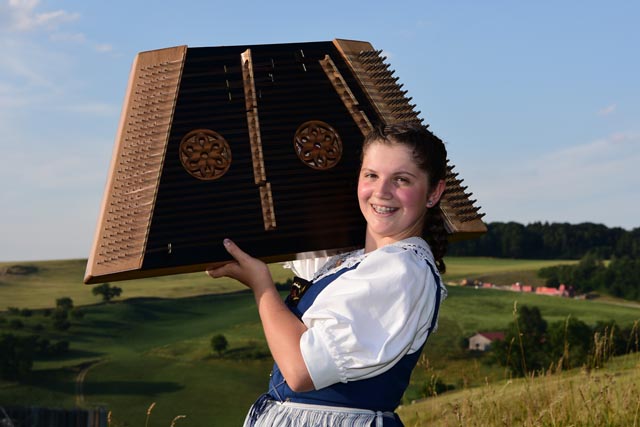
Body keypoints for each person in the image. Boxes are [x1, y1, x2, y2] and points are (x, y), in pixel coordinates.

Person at [206, 122, 449, 426]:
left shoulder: (402, 270)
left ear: (433, 192)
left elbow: (300, 370)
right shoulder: (352, 262)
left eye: (401, 180)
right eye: (371, 175)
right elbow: (288, 228)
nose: (381, 192)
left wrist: (262, 287)